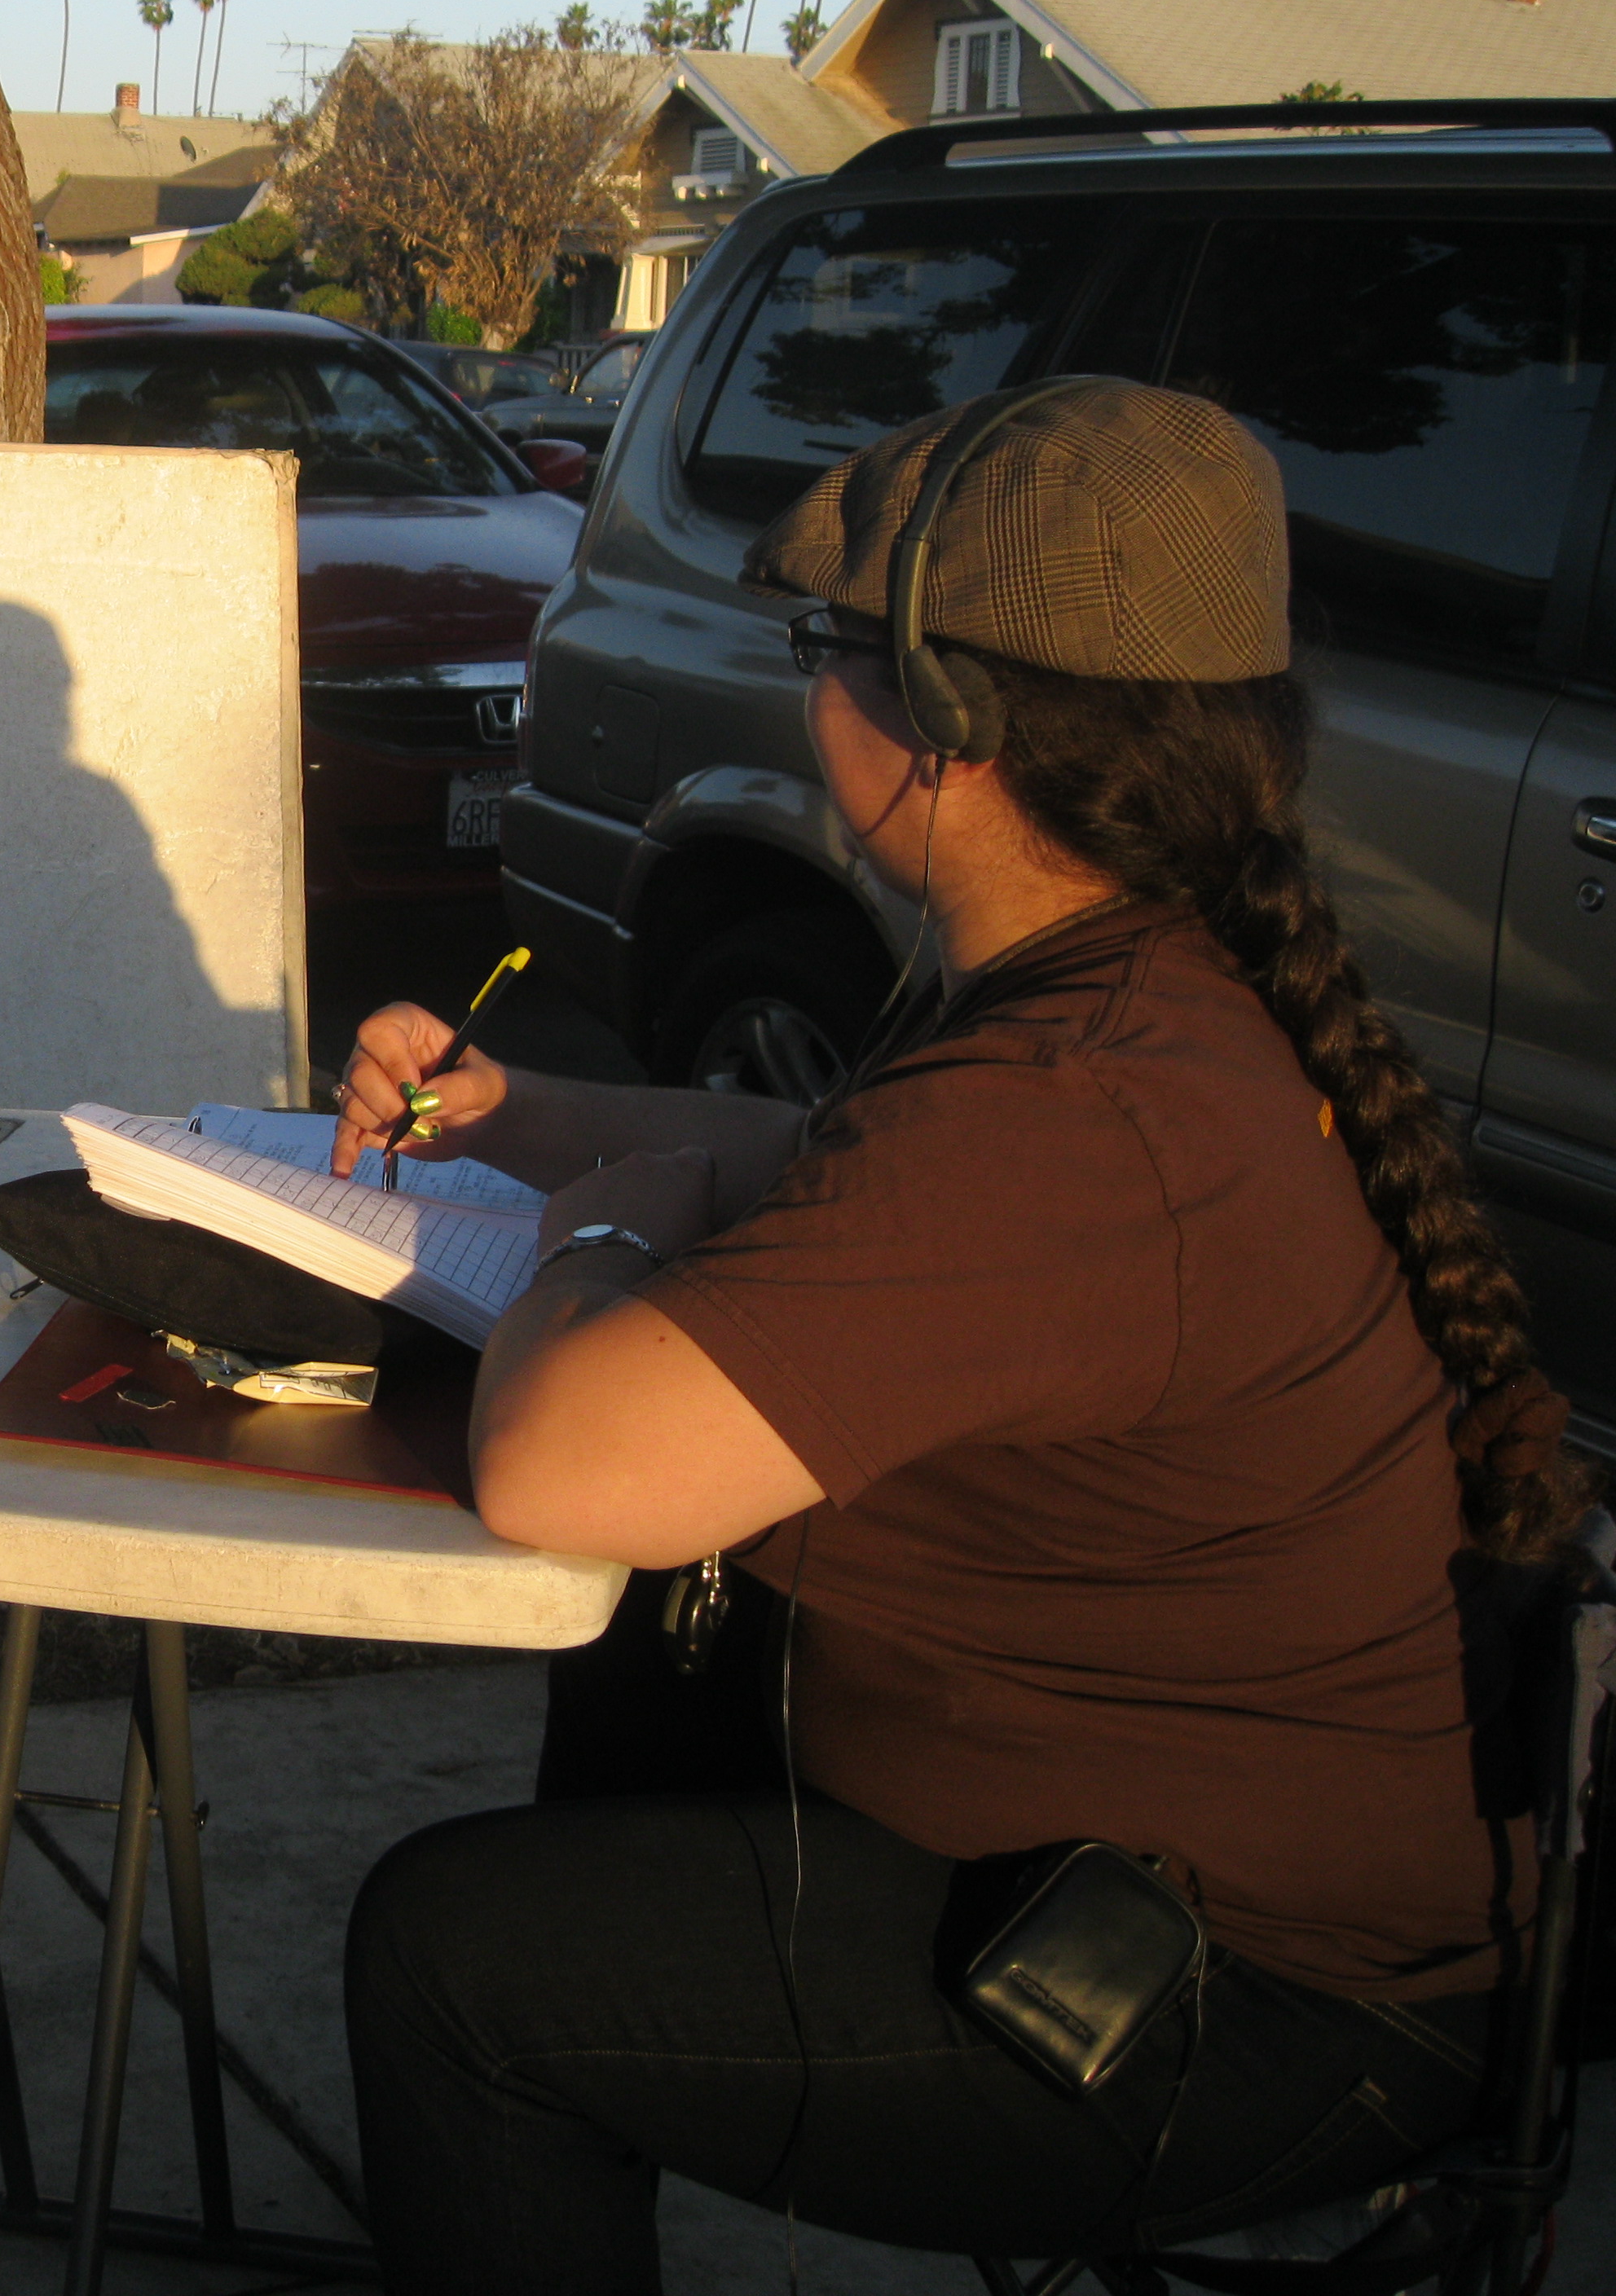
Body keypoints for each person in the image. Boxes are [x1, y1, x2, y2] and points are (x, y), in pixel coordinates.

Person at [325, 379, 1596, 2288]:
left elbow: (560, 1464)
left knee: (456, 1965)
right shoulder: (1137, 980)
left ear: (949, 722)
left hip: (1240, 2001)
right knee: (644, 1690)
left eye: (829, 650)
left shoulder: (1088, 1103)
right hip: (1210, 1887)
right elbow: (821, 1157)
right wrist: (520, 1118)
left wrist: (599, 1226)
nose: (804, 688)